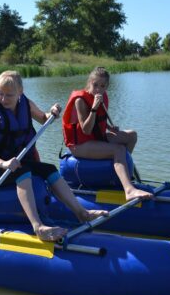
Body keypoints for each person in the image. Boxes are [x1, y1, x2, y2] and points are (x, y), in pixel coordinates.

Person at [0, 70, 107, 242]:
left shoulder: (25, 104)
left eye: (9, 95)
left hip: (13, 162)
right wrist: (3, 163)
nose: (4, 99)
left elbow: (43, 118)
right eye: (1, 94)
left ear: (20, 92)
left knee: (48, 169)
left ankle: (82, 212)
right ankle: (38, 226)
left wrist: (52, 113)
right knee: (23, 173)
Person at [62, 67, 152, 201]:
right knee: (118, 149)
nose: (98, 89)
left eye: (102, 86)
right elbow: (86, 129)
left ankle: (117, 174)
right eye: (95, 85)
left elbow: (99, 121)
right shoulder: (80, 100)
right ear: (89, 82)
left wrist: (110, 127)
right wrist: (94, 108)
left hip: (96, 138)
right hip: (80, 145)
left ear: (107, 87)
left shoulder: (102, 96)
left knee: (132, 135)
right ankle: (129, 189)